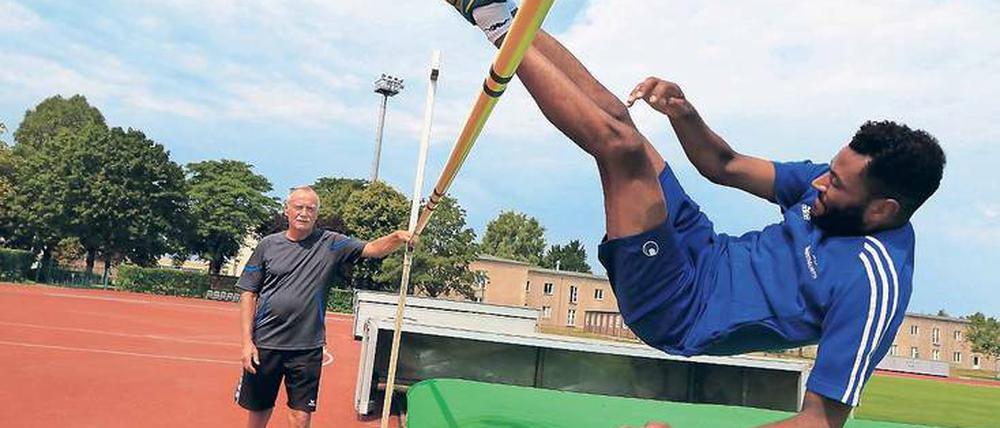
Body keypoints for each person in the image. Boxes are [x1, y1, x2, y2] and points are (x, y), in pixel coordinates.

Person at [445, 1, 946, 427]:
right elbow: (723, 165)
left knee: (620, 149)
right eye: (830, 169)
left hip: (680, 307)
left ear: (883, 210)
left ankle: (495, 27)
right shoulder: (832, 188)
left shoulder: (874, 285)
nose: (819, 181)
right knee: (622, 121)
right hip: (701, 244)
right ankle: (497, 11)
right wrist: (685, 115)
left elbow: (819, 421)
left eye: (835, 182)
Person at [234, 186, 414, 428]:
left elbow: (371, 249)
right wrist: (247, 342)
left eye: (311, 208)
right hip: (266, 344)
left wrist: (397, 237)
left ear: (317, 214)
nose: (304, 213)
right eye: (299, 207)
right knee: (258, 412)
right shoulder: (268, 245)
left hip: (306, 348)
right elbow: (248, 292)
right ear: (287, 210)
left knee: (301, 417)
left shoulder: (331, 243)